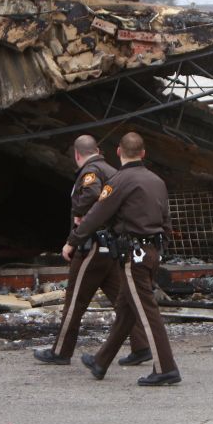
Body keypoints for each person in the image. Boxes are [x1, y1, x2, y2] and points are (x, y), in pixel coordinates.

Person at [63, 132, 180, 386]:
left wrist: (72, 240)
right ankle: (101, 361)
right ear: (144, 153)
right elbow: (166, 221)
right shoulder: (157, 181)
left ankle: (166, 368)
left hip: (134, 255)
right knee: (126, 309)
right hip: (151, 252)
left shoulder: (119, 181)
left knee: (147, 312)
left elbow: (96, 214)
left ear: (118, 151)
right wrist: (160, 250)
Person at [34, 135, 151, 366]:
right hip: (111, 248)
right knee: (122, 302)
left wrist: (79, 215)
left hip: (93, 246)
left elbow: (91, 195)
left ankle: (60, 351)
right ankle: (142, 345)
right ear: (98, 149)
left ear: (77, 155)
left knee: (75, 300)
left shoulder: (91, 172)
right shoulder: (112, 171)